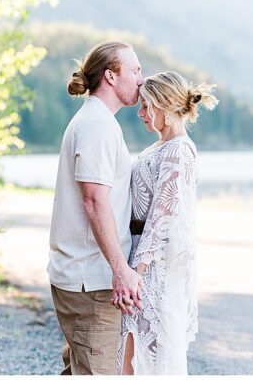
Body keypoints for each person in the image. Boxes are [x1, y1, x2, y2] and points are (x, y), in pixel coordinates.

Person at [47, 41, 144, 375]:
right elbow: (93, 200)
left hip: (85, 278)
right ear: (111, 77)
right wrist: (120, 269)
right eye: (135, 70)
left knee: (77, 370)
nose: (141, 79)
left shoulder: (96, 120)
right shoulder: (97, 125)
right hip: (92, 282)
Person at [119, 71, 216, 375]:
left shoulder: (178, 150)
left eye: (147, 105)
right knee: (129, 350)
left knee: (153, 349)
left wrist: (136, 273)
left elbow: (163, 219)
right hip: (137, 254)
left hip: (153, 267)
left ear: (164, 105)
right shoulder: (159, 147)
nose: (141, 113)